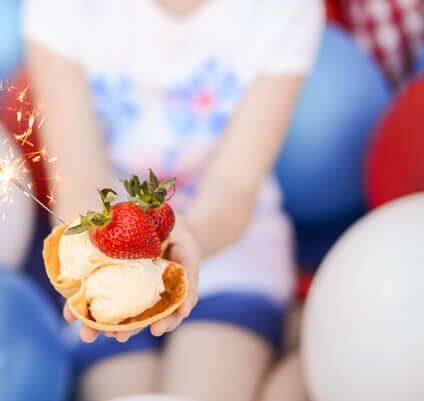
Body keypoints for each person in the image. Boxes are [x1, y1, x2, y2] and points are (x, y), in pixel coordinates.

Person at [25, 1, 324, 400]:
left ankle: (302, 350)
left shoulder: (283, 9)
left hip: (229, 252)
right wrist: (100, 268)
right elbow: (78, 184)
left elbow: (232, 190)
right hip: (109, 261)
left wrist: (188, 241)